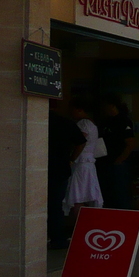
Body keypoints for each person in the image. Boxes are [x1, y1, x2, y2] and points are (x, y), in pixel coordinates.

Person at [48, 105, 86, 249]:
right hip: (60, 169)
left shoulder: (39, 121)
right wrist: (71, 159)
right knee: (55, 206)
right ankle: (57, 238)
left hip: (39, 167)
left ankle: (42, 237)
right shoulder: (64, 122)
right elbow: (81, 142)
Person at [63, 99, 104, 216]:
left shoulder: (83, 124)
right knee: (83, 195)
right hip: (88, 163)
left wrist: (72, 158)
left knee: (78, 196)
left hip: (81, 163)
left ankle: (79, 226)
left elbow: (80, 142)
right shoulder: (92, 124)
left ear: (79, 110)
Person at [96, 95, 135, 209]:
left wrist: (120, 160)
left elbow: (130, 143)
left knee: (120, 194)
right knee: (108, 194)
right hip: (104, 161)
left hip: (118, 163)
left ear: (112, 106)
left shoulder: (123, 120)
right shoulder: (105, 121)